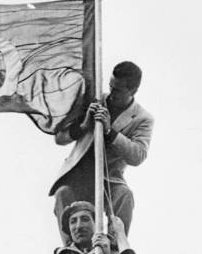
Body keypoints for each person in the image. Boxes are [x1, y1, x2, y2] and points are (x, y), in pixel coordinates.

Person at [50, 61, 154, 243]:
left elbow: (138, 156)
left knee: (125, 196)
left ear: (133, 90)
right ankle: (70, 250)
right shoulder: (92, 101)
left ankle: (114, 248)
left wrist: (110, 132)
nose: (111, 94)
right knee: (62, 193)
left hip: (109, 179)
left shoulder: (143, 118)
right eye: (111, 87)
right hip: (79, 175)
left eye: (118, 91)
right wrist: (83, 125)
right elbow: (59, 137)